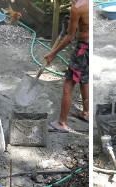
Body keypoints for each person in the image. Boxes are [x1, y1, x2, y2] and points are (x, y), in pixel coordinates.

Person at [44, 0, 89, 132]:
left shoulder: (77, 8)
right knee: (83, 79)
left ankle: (62, 123)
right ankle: (86, 112)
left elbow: (70, 37)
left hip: (83, 49)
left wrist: (53, 53)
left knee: (68, 85)